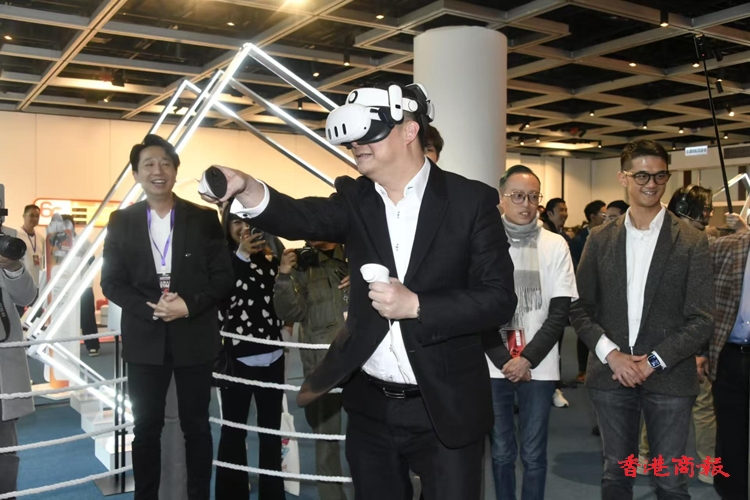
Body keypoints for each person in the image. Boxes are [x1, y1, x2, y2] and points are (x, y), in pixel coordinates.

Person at [201, 82, 517, 500]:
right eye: (352, 139)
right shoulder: (356, 198)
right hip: (371, 407)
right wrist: (246, 186)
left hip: (445, 403)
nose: (356, 145)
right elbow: (300, 216)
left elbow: (499, 299)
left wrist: (417, 305)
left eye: (369, 135)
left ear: (409, 131)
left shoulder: (469, 201)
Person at [570, 139, 714, 500]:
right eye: (642, 175)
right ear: (623, 177)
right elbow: (580, 307)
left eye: (660, 175)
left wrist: (653, 362)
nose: (652, 183)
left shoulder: (691, 240)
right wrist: (612, 355)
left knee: (671, 482)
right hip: (611, 375)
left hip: (669, 376)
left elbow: (701, 318)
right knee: (616, 476)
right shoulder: (599, 239)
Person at [101, 134, 234, 500]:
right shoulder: (121, 221)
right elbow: (111, 282)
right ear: (136, 174)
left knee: (197, 427)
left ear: (175, 170)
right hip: (145, 340)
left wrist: (188, 305)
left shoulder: (204, 218)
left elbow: (223, 277)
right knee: (145, 429)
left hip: (195, 336)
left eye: (165, 163)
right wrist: (154, 308)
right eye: (148, 164)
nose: (157, 171)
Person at [485, 165, 577, 500]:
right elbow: (477, 311)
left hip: (540, 365)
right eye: (517, 196)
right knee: (500, 452)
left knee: (534, 455)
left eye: (533, 196)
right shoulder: (483, 243)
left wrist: (526, 359)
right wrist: (504, 359)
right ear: (501, 199)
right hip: (493, 364)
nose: (526, 204)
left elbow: (559, 313)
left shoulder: (556, 244)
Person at [635, 185, 717, 481]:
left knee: (677, 401)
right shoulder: (691, 241)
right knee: (683, 402)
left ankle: (650, 456)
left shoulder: (689, 241)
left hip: (682, 336)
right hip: (671, 338)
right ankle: (704, 464)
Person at [215, 207, 285, 500]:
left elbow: (281, 303)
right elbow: (220, 296)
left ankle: (273, 495)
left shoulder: (269, 258)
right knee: (234, 432)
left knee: (271, 433)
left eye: (248, 221)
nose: (243, 227)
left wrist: (286, 271)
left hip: (274, 355)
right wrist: (241, 256)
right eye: (236, 221)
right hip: (237, 358)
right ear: (226, 225)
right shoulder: (220, 259)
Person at [273, 241, 350, 500]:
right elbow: (289, 311)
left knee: (370, 437)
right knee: (326, 441)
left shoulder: (356, 255)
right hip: (321, 366)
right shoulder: (302, 265)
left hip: (363, 363)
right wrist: (284, 275)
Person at [709, 214, 750, 500]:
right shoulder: (725, 247)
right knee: (730, 433)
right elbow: (704, 303)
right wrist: (701, 351)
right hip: (731, 355)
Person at [0, 244, 37, 496]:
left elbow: (26, 297)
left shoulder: (4, 245)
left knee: (5, 448)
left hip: (2, 368)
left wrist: (13, 267)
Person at [570, 200, 606, 384]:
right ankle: (583, 369)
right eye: (603, 214)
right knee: (585, 328)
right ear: (592, 217)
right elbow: (577, 266)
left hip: (603, 291)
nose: (606, 218)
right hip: (585, 289)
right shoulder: (579, 239)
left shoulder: (608, 235)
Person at [17, 205, 45, 289]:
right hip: (22, 284)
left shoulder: (40, 238)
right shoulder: (16, 236)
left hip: (38, 283)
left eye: (37, 216)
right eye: (32, 215)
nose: (35, 219)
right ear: (24, 216)